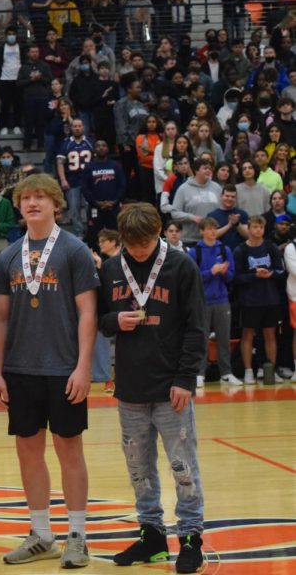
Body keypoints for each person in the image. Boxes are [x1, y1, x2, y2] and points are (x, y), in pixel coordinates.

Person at [0, 173, 98, 569]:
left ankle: (77, 536)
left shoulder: (75, 250)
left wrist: (84, 366)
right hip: (20, 369)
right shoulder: (7, 256)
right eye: (26, 197)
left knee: (70, 450)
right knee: (28, 453)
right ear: (18, 207)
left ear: (56, 204)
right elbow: (0, 319)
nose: (33, 203)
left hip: (64, 367)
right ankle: (41, 534)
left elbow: (88, 311)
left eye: (41, 197)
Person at [97, 203, 208, 575]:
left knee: (182, 466)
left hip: (171, 386)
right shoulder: (113, 267)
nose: (139, 250)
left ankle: (191, 537)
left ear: (160, 231)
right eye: (132, 244)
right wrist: (115, 319)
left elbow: (196, 326)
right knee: (138, 469)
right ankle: (152, 536)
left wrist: (185, 379)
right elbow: (100, 320)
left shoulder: (181, 266)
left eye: (145, 243)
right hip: (130, 387)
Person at [233, 215, 287, 384]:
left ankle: (270, 370)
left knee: (270, 334)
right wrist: (254, 275)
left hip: (270, 298)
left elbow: (280, 271)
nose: (258, 230)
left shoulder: (271, 247)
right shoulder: (240, 250)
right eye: (255, 227)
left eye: (261, 227)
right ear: (248, 229)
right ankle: (249, 371)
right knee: (247, 334)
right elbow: (236, 278)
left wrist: (270, 274)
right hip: (249, 300)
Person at [187, 217, 238, 387]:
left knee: (224, 338)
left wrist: (223, 272)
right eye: (208, 229)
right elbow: (192, 279)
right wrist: (211, 272)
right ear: (202, 231)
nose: (212, 232)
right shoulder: (195, 252)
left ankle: (226, 372)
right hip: (203, 301)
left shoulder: (224, 249)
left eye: (214, 228)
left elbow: (231, 276)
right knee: (201, 338)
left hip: (222, 300)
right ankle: (199, 373)